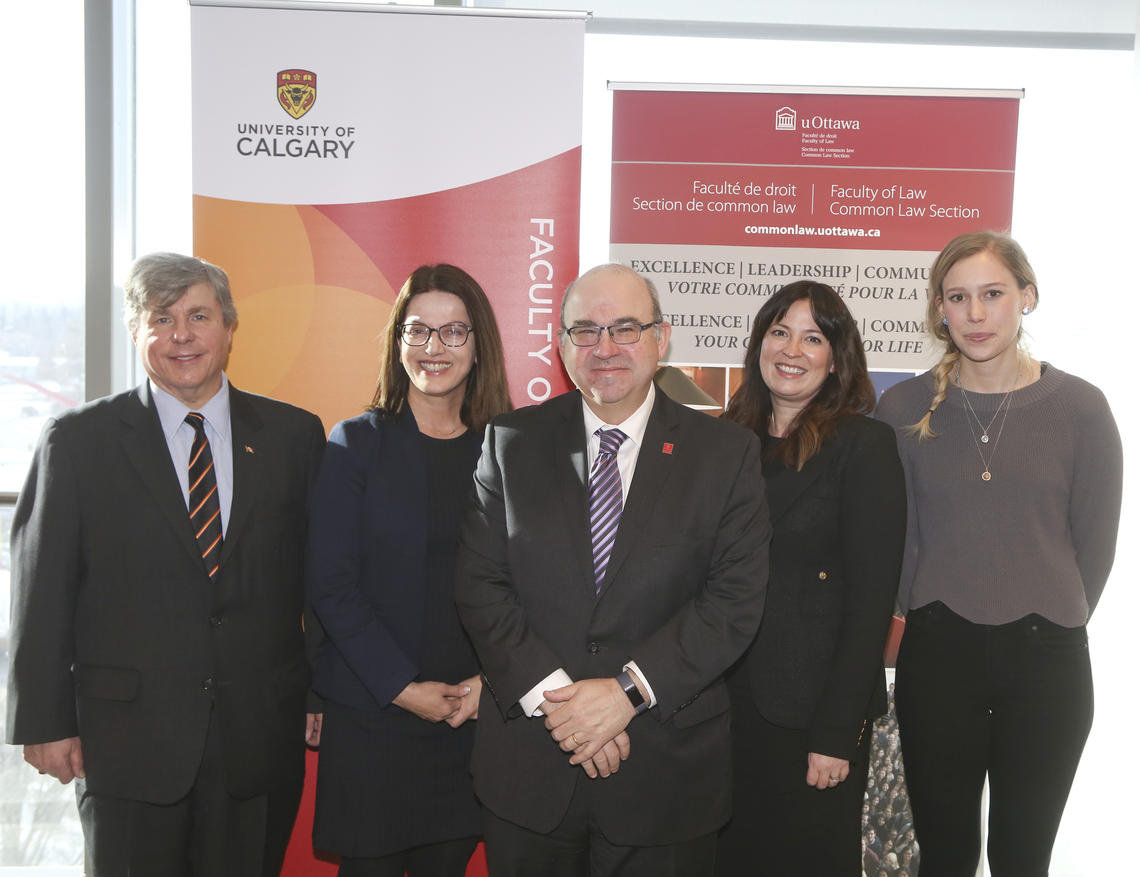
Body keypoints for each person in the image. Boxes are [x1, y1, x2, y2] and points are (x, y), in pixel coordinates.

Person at [6, 252, 326, 875]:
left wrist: (321, 690)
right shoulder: (77, 442)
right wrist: (43, 722)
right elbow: (41, 590)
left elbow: (317, 581)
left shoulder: (294, 436)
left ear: (229, 327)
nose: (182, 335)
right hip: (126, 745)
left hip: (257, 737)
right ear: (136, 332)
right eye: (161, 318)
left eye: (199, 315)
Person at [454, 263, 771, 876]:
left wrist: (628, 693)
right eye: (585, 330)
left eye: (625, 328)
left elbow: (734, 601)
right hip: (532, 770)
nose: (604, 348)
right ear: (562, 346)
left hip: (666, 774)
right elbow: (480, 584)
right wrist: (567, 709)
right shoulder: (509, 442)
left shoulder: (726, 454)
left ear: (662, 336)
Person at [875, 231, 1122, 876]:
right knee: (946, 857)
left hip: (1047, 664)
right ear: (939, 310)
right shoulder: (901, 408)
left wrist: (1044, 615)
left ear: (1027, 298)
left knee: (1022, 857)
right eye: (958, 298)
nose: (976, 314)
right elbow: (891, 543)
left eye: (993, 294)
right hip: (938, 660)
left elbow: (1093, 549)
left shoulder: (1081, 409)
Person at [307, 264, 512, 876]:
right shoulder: (355, 444)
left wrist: (488, 684)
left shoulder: (509, 449)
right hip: (374, 716)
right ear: (399, 343)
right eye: (419, 331)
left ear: (479, 349)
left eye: (454, 332)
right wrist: (401, 688)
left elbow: (531, 585)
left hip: (469, 718)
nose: (435, 348)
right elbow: (330, 585)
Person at [715, 280, 906, 876]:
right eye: (779, 332)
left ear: (835, 357)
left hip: (809, 717)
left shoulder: (864, 445)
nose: (792, 350)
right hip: (719, 709)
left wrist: (835, 731)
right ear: (758, 345)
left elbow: (872, 601)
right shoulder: (723, 441)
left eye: (812, 337)